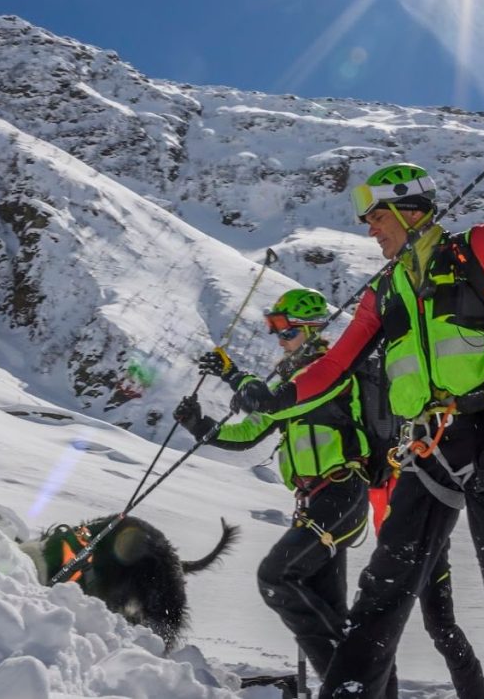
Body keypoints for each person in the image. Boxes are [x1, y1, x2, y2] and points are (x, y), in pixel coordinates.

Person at [229, 75, 484, 699]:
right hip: (426, 451)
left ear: (409, 211)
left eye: (377, 217)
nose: (370, 229)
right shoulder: (382, 292)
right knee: (382, 593)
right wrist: (274, 399)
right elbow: (332, 366)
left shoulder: (474, 249)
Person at [173, 288, 371, 684]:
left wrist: (230, 372)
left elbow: (267, 404)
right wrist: (199, 426)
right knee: (330, 610)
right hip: (317, 500)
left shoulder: (328, 371)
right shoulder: (292, 381)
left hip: (341, 492)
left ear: (313, 330)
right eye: (274, 330)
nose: (279, 339)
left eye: (286, 330)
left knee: (276, 577)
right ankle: (357, 686)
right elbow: (249, 433)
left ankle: (346, 684)